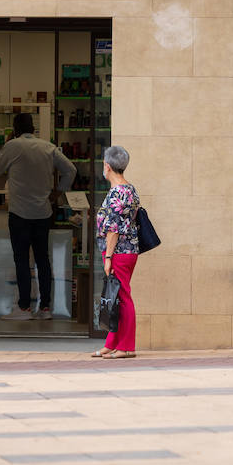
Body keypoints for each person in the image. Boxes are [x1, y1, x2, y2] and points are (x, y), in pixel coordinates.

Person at [0, 112, 76, 321]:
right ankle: (45, 308)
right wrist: (59, 191)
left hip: (19, 213)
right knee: (42, 259)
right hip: (43, 212)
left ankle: (24, 307)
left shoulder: (12, 146)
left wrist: (6, 146)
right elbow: (70, 170)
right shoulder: (48, 147)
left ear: (15, 129)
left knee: (21, 260)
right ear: (33, 128)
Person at [93, 145, 141, 359]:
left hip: (118, 252)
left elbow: (113, 229)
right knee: (116, 298)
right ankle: (112, 343)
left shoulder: (116, 194)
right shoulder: (129, 189)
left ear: (108, 166)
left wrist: (109, 258)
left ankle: (126, 347)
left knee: (123, 297)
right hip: (128, 250)